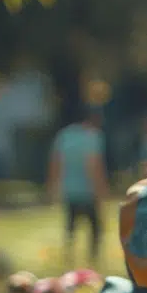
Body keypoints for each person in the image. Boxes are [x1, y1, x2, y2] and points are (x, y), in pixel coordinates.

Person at [47, 106, 109, 262]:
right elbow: (94, 165)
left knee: (71, 225)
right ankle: (93, 258)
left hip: (69, 189)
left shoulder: (64, 135)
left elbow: (56, 162)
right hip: (88, 190)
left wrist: (53, 185)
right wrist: (100, 188)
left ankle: (68, 255)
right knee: (95, 227)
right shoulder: (93, 136)